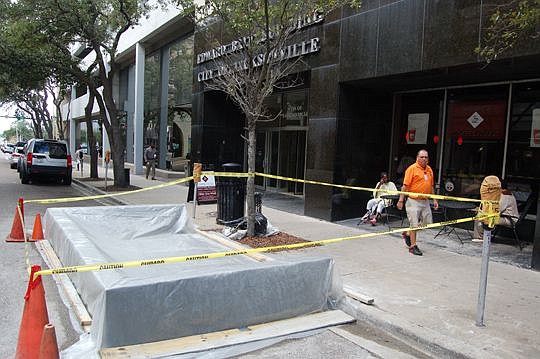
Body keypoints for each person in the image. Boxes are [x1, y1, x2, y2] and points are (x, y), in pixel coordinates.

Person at [396, 149, 438, 256]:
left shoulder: (429, 170)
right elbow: (404, 186)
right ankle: (413, 246)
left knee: (427, 223)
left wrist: (435, 199)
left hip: (425, 201)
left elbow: (431, 186)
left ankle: (408, 233)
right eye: (422, 157)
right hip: (413, 200)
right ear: (417, 158)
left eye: (426, 157)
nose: (424, 159)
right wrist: (401, 200)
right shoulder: (412, 169)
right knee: (414, 224)